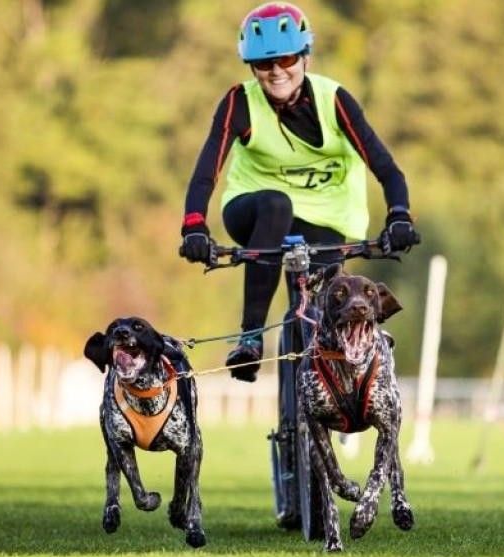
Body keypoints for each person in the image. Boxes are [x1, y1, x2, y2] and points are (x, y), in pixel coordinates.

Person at [179, 2, 420, 382]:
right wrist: (193, 226)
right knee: (277, 202)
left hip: (327, 218)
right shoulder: (239, 102)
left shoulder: (334, 100)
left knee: (329, 313)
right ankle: (251, 338)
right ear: (252, 67)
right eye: (263, 64)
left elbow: (386, 168)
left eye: (286, 58)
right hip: (257, 212)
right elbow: (205, 173)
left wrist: (399, 216)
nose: (276, 72)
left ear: (305, 57)